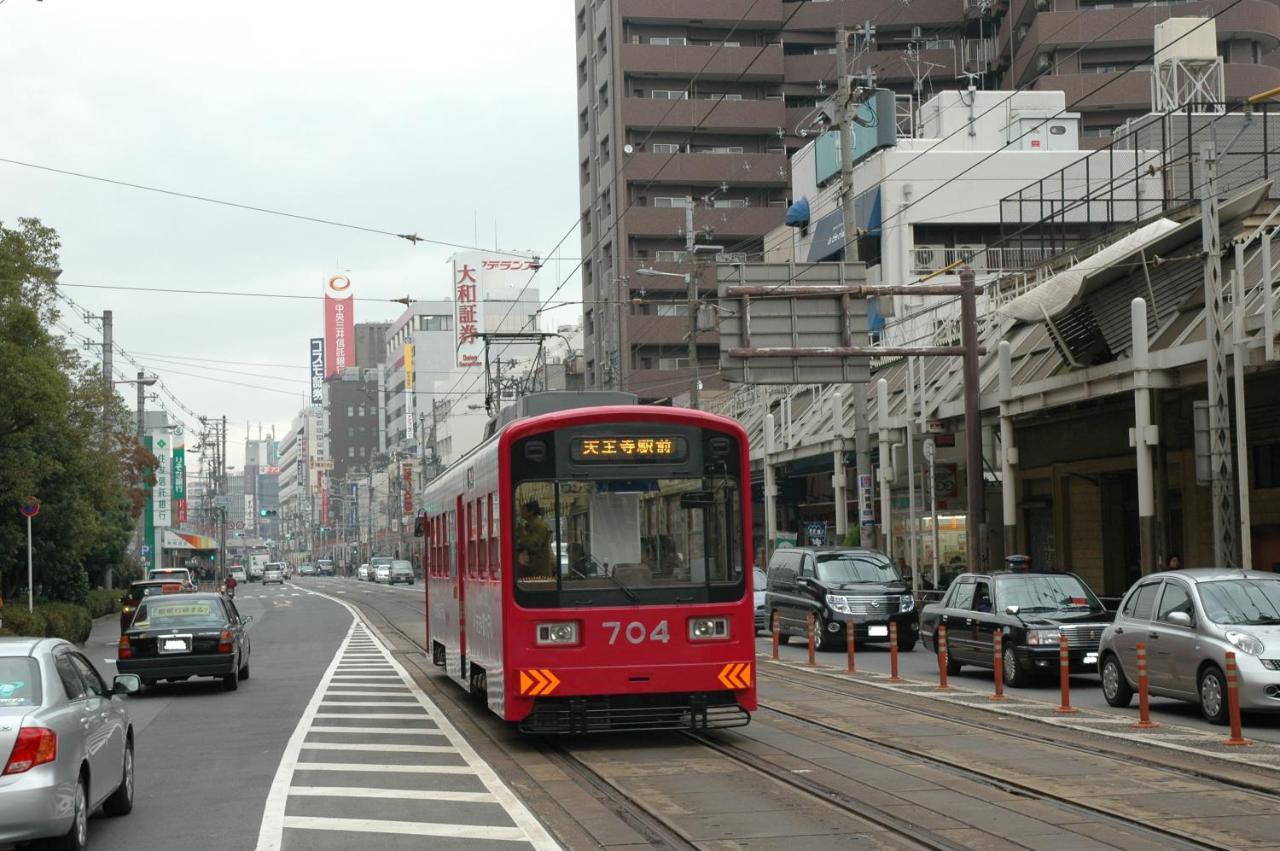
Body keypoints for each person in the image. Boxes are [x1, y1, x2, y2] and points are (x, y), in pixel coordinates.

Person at [515, 500, 554, 579]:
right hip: (531, 567)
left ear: (531, 512)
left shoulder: (540, 526)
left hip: (540, 569)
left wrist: (521, 533)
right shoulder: (528, 526)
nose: (520, 512)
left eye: (523, 510)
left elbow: (532, 546)